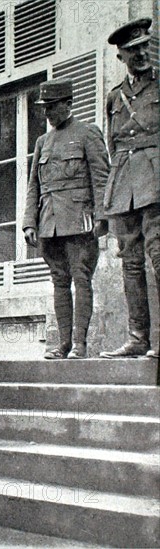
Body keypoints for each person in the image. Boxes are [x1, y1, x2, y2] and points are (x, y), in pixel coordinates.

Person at [23, 78, 110, 359]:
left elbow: (101, 178)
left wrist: (102, 216)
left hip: (79, 220)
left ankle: (80, 344)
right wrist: (29, 222)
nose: (46, 113)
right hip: (50, 223)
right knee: (59, 282)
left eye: (52, 107)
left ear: (68, 104)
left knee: (81, 279)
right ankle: (63, 344)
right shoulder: (42, 142)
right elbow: (33, 185)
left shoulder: (87, 133)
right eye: (44, 108)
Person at [100, 18, 159, 359]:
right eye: (132, 50)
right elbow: (113, 144)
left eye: (144, 47)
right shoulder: (114, 98)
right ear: (120, 55)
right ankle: (138, 337)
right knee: (131, 263)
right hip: (125, 185)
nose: (140, 54)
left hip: (156, 182)